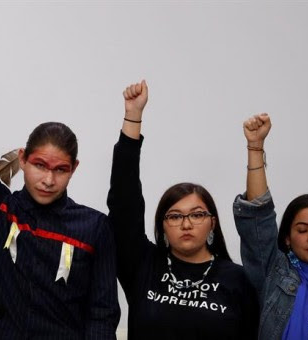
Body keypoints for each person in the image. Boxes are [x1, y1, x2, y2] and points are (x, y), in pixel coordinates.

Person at [0, 4, 120, 338]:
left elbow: (102, 313)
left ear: (74, 169)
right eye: (40, 165)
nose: (48, 179)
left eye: (60, 170)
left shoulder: (93, 227)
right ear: (24, 158)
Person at [107, 81, 259, 339]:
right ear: (163, 225)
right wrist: (133, 117)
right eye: (175, 216)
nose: (186, 224)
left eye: (197, 214)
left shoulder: (237, 279)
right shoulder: (144, 266)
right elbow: (124, 202)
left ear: (212, 222)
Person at [233, 113, 308, 339]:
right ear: (287, 237)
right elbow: (258, 216)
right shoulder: (274, 275)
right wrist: (255, 148)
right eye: (302, 230)